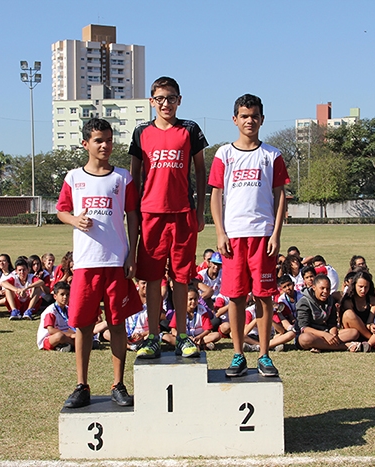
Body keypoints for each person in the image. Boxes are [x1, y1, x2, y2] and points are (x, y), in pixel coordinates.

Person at [57, 117, 142, 409]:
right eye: (98, 140)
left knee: (117, 324)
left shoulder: (122, 178)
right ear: (85, 144)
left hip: (116, 261)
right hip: (85, 263)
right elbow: (62, 211)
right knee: (83, 325)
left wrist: (132, 252)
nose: (105, 145)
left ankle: (118, 384)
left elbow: (133, 215)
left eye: (108, 139)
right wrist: (74, 219)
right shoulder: (73, 178)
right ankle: (82, 385)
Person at [209, 93, 289, 377]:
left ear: (262, 119)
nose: (249, 120)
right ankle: (238, 354)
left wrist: (276, 234)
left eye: (254, 116)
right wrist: (220, 232)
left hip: (263, 236)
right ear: (235, 120)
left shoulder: (272, 155)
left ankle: (265, 355)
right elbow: (216, 195)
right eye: (244, 116)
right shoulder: (224, 154)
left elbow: (280, 196)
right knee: (236, 296)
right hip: (233, 237)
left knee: (263, 296)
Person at [129, 76, 208, 360]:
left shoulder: (190, 130)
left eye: (171, 98)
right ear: (152, 102)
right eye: (160, 99)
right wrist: (135, 218)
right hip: (151, 214)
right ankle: (152, 336)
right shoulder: (141, 133)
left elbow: (200, 172)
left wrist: (200, 211)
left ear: (179, 100)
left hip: (183, 214)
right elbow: (135, 177)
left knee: (181, 278)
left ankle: (183, 336)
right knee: (152, 280)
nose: (166, 104)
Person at [295, 274, 359, 352]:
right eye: (322, 288)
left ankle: (321, 346)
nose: (325, 292)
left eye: (328, 289)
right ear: (314, 287)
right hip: (312, 334)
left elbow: (332, 323)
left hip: (326, 332)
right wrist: (325, 335)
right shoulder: (304, 302)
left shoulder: (330, 300)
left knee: (354, 333)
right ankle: (344, 346)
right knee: (305, 339)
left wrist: (333, 335)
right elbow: (304, 328)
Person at [340, 270, 375, 351]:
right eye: (360, 287)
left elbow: (369, 321)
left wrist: (371, 326)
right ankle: (374, 341)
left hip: (368, 331)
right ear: (354, 285)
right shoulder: (348, 301)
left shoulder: (373, 301)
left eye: (366, 287)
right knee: (349, 314)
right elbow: (351, 321)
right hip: (354, 333)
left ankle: (369, 344)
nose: (363, 290)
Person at [37, 281, 76, 352]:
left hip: (66, 334)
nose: (65, 297)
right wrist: (70, 335)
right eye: (62, 294)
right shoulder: (50, 311)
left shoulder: (68, 309)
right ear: (55, 296)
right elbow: (51, 330)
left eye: (67, 294)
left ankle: (65, 345)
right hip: (49, 339)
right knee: (60, 336)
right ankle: (76, 344)